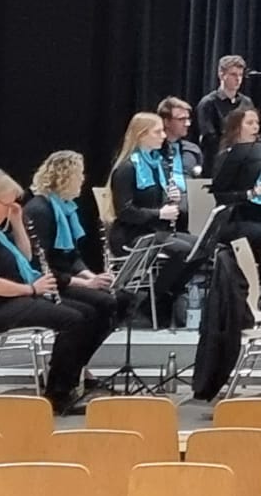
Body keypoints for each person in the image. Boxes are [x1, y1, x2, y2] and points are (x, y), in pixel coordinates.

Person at [0, 170, 113, 415]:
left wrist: (17, 222)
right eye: (8, 204)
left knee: (88, 312)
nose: (12, 208)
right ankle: (57, 394)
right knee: (73, 319)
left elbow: (26, 256)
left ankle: (70, 380)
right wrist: (32, 288)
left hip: (14, 299)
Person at [106, 111, 198, 323]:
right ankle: (154, 301)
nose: (163, 136)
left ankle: (166, 294)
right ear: (141, 135)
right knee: (184, 250)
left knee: (201, 247)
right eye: (157, 132)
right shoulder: (127, 168)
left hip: (156, 231)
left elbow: (154, 199)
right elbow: (125, 211)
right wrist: (160, 213)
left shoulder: (156, 164)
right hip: (132, 234)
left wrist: (171, 198)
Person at [24, 150, 127, 336]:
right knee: (102, 304)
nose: (83, 179)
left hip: (63, 279)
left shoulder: (66, 209)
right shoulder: (40, 210)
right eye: (79, 174)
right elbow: (39, 265)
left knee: (122, 299)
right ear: (65, 177)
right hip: (48, 284)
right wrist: (86, 284)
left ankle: (81, 351)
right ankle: (71, 352)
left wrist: (93, 277)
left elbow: (72, 256)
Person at [208, 106, 261, 308]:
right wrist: (255, 192)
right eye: (249, 123)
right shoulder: (226, 157)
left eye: (257, 123)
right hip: (235, 220)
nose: (255, 127)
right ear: (236, 128)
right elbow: (221, 196)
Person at [194, 54, 253, 153]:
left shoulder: (246, 102)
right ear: (221, 75)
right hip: (217, 156)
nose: (238, 79)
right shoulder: (208, 103)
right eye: (233, 74)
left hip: (243, 154)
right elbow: (209, 138)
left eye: (240, 75)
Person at [157, 96, 204, 175]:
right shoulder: (152, 150)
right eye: (181, 119)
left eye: (188, 119)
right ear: (166, 122)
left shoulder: (192, 150)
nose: (187, 124)